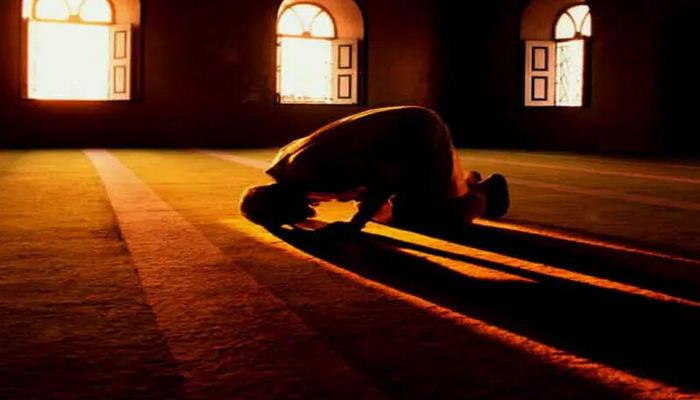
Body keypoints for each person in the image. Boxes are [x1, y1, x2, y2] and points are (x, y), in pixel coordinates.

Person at [239, 106, 509, 232]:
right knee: (395, 211)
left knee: (440, 218)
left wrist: (355, 224)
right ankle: (460, 180)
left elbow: (386, 178)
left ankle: (484, 192)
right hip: (401, 141)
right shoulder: (286, 167)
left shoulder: (311, 173)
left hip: (420, 135)